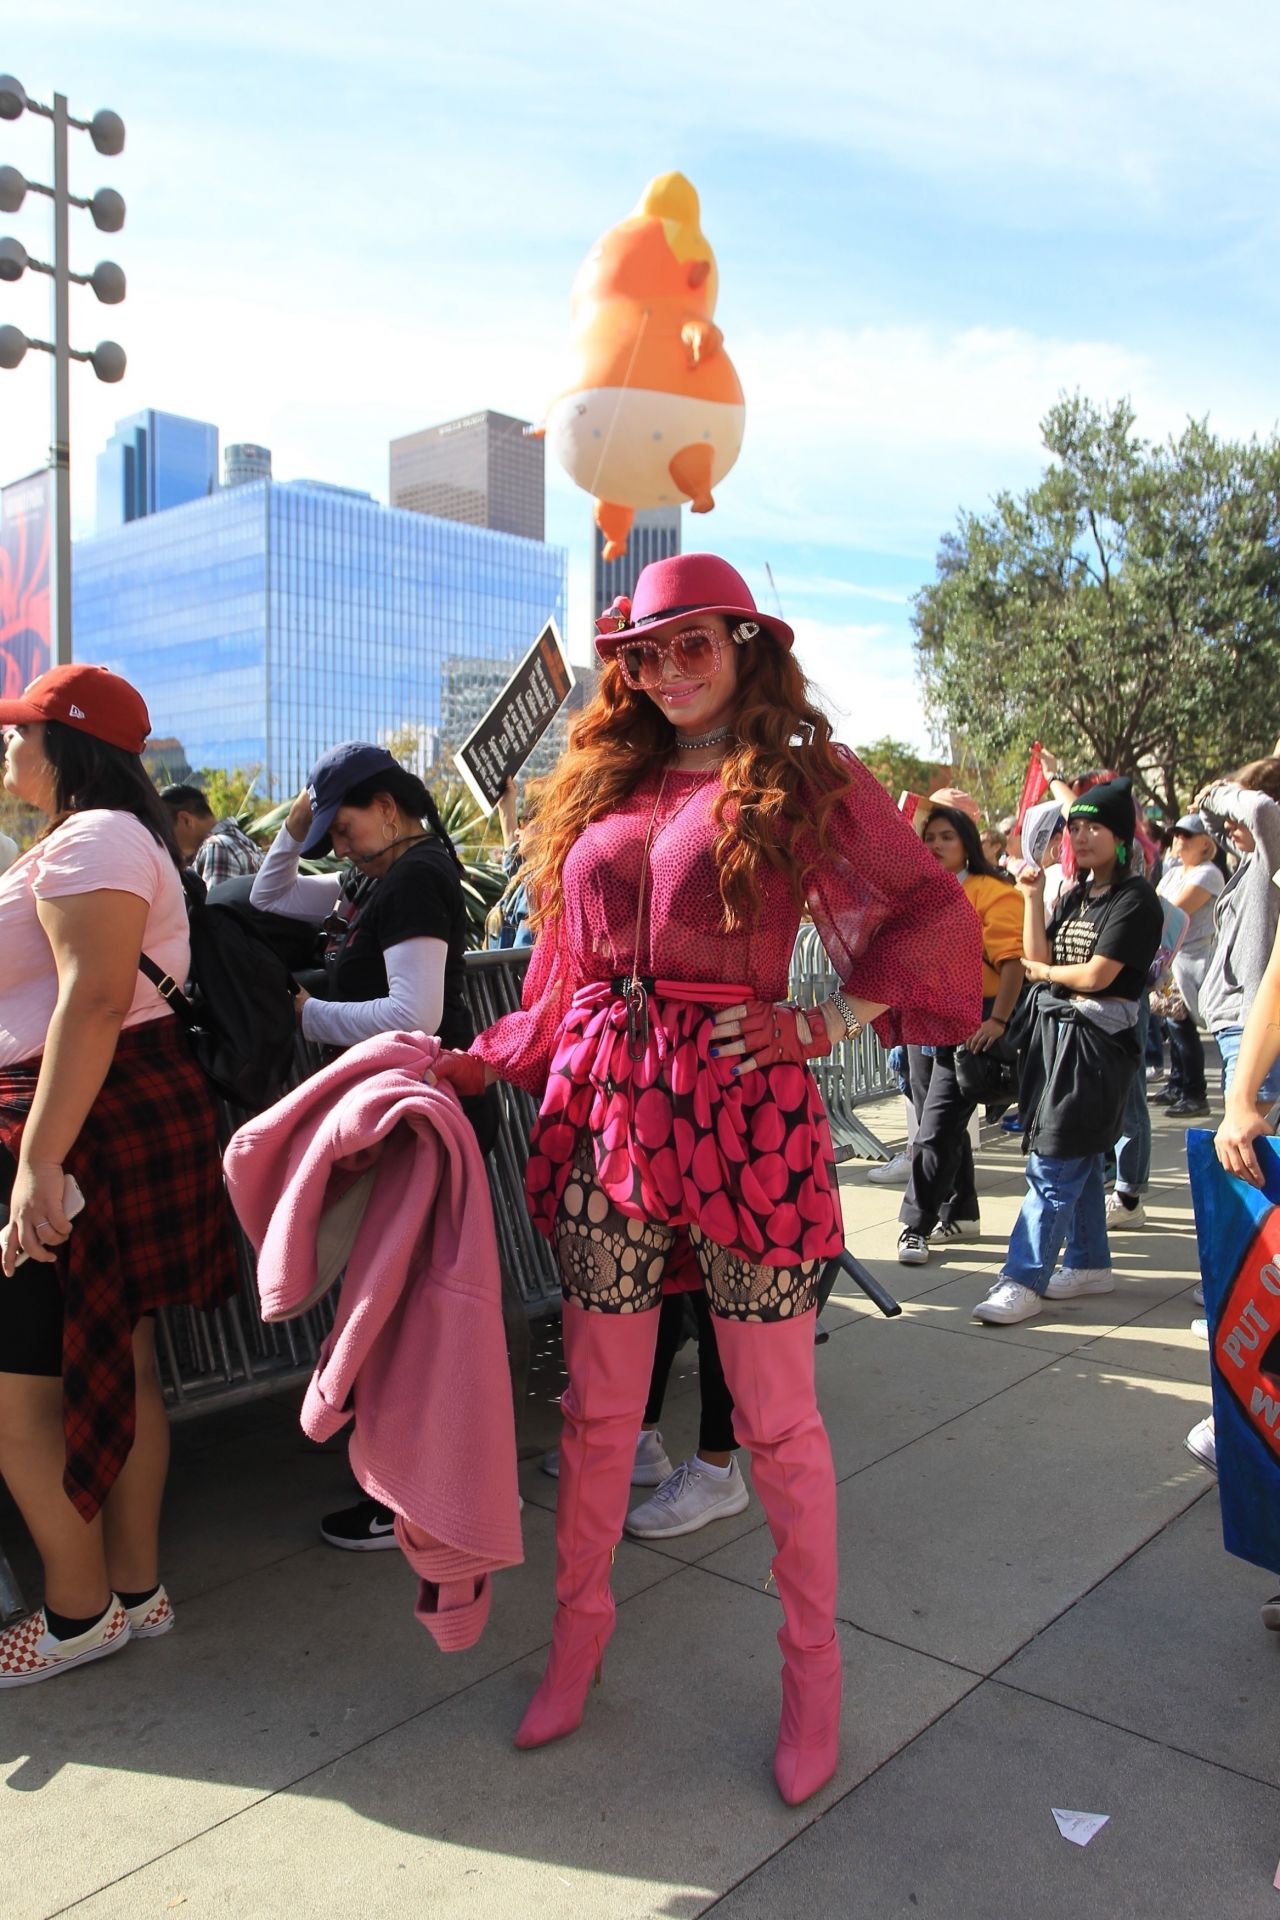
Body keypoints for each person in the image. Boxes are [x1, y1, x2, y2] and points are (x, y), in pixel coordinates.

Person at [430, 552, 982, 1805]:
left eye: (695, 644)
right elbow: (560, 979)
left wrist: (825, 1016)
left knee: (776, 1421)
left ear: (744, 643)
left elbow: (931, 912)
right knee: (596, 1414)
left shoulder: (798, 774)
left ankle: (811, 1678)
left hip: (747, 1110)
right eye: (646, 650)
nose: (670, 670)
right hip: (608, 1112)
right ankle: (575, 1647)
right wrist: (475, 1059)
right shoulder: (600, 781)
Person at [0, 665, 238, 1686]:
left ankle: (75, 1609)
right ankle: (134, 1593)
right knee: (122, 1359)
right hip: (116, 1115)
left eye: (21, 732)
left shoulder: (91, 839)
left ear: (70, 743)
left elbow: (92, 1003)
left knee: (21, 1396)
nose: (8, 748)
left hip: (74, 1122)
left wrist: (37, 1166)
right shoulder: (112, 838)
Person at [251, 739, 498, 1549]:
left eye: (345, 825)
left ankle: (412, 1499)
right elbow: (269, 893)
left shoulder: (417, 877)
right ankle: (407, 1488)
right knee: (397, 1308)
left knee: (407, 1313)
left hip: (422, 1122)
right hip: (406, 1118)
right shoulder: (380, 878)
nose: (340, 843)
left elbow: (414, 1015)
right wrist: (294, 828)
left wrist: (306, 1018)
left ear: (389, 807)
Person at [973, 777, 1163, 1324]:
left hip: (1099, 1045)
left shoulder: (1135, 899)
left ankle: (1022, 1278)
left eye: (1093, 827)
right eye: (1073, 828)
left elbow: (1098, 975)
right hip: (1060, 1038)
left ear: (1121, 836)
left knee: (1052, 1161)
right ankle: (1087, 1263)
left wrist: (1046, 974)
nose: (1080, 837)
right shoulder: (1079, 895)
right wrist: (1032, 898)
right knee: (1074, 1153)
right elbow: (1041, 953)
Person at [897, 805, 1024, 1265]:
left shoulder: (994, 893)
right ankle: (961, 1210)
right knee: (944, 1125)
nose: (934, 845)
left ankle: (915, 1225)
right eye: (928, 837)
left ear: (967, 842)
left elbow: (1012, 963)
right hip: (923, 1020)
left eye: (946, 836)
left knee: (934, 1128)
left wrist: (998, 1022)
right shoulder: (920, 894)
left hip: (974, 1021)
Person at [1149, 813, 1226, 1123]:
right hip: (1173, 959)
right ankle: (1178, 1082)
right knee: (1174, 1024)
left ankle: (1195, 1092)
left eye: (1186, 835)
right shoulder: (1174, 872)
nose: (1179, 839)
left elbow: (1174, 910)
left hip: (1195, 959)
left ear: (1205, 843)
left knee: (1184, 1028)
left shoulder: (1208, 874)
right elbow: (1156, 903)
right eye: (1176, 834)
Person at [159, 783, 264, 889]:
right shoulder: (238, 841)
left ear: (186, 820)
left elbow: (215, 905)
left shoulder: (217, 848)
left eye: (165, 830)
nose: (164, 838)